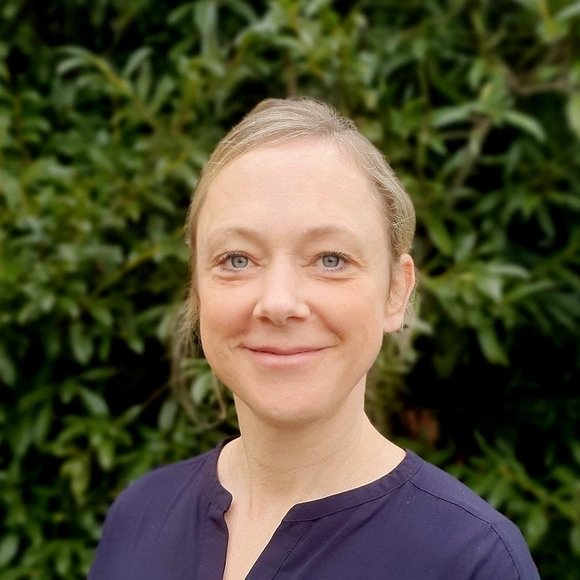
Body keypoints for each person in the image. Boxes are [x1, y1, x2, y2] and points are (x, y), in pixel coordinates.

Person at [89, 97, 540, 579]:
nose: (279, 303)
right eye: (237, 260)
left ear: (396, 291)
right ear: (197, 288)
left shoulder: (471, 560)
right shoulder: (139, 516)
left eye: (330, 259)